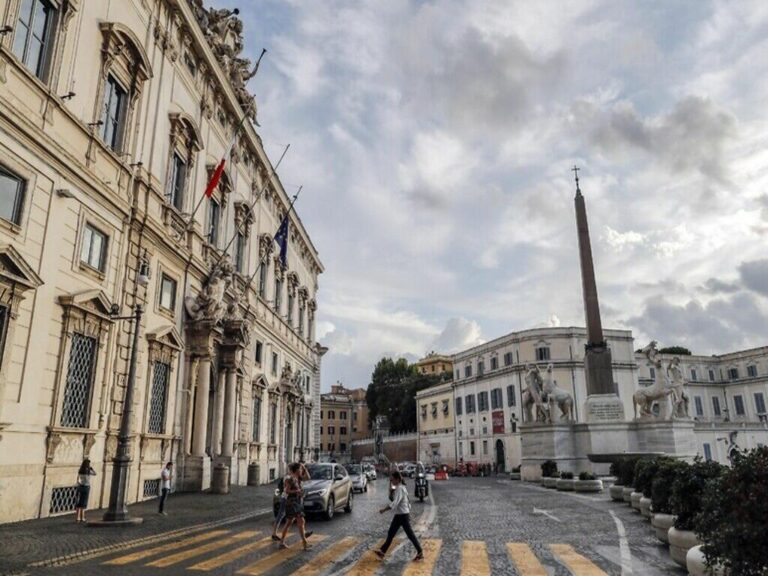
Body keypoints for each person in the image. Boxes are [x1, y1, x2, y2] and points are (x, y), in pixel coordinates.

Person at [375, 470, 423, 562]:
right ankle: (382, 551)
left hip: (403, 516)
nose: (391, 481)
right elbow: (394, 499)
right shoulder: (400, 487)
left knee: (410, 535)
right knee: (391, 533)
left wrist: (384, 510)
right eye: (390, 480)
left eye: (392, 479)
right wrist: (391, 489)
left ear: (397, 479)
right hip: (400, 515)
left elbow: (394, 503)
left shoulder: (400, 488)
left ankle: (420, 552)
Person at [279, 462, 312, 550]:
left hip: (297, 503)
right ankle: (305, 543)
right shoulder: (290, 479)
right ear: (297, 470)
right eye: (300, 469)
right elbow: (286, 491)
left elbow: (308, 477)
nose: (301, 470)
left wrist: (304, 468)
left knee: (289, 523)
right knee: (301, 521)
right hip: (292, 504)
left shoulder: (298, 478)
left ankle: (281, 542)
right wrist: (297, 491)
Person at [75, 458, 96, 523]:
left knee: (79, 502)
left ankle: (78, 517)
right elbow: (95, 473)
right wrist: (91, 469)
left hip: (80, 486)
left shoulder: (80, 470)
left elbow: (78, 479)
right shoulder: (88, 471)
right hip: (86, 487)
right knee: (84, 502)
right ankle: (82, 517)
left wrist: (79, 483)